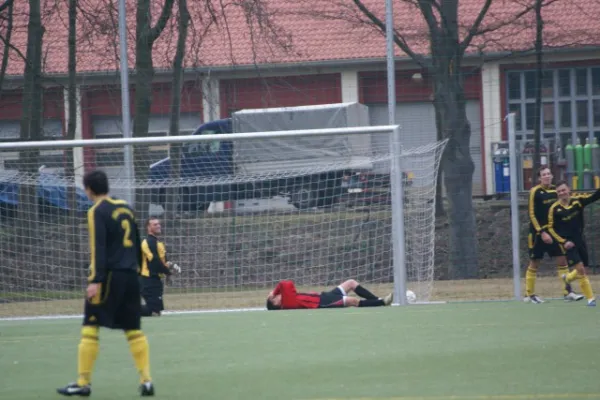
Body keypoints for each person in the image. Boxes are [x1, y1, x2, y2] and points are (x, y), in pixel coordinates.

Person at [57, 170, 155, 397]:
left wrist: (95, 280)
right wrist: (138, 274)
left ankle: (83, 383)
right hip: (131, 276)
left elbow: (98, 248)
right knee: (133, 329)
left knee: (90, 327)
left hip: (109, 277)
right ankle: (147, 381)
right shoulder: (126, 207)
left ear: (89, 189)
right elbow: (137, 244)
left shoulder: (96, 211)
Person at [525, 166, 584, 303]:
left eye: (549, 173)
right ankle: (529, 295)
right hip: (538, 233)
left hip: (554, 232)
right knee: (535, 262)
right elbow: (532, 214)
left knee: (562, 260)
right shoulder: (535, 191)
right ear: (539, 178)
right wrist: (541, 232)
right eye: (544, 174)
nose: (547, 176)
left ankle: (567, 292)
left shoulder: (556, 191)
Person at [547, 180, 600, 307]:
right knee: (581, 269)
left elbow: (594, 197)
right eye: (559, 191)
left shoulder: (578, 201)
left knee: (584, 268)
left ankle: (568, 278)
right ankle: (591, 298)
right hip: (568, 243)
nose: (561, 193)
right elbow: (550, 228)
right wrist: (563, 241)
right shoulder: (554, 209)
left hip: (580, 239)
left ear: (569, 190)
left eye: (563, 190)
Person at [140, 217, 181, 317]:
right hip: (147, 280)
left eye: (159, 224)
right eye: (155, 224)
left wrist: (172, 265)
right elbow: (155, 262)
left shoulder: (158, 243)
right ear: (148, 227)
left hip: (155, 279)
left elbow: (163, 261)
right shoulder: (148, 242)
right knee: (153, 311)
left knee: (156, 311)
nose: (158, 226)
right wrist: (168, 273)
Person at [266, 279, 393, 310]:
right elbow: (285, 283)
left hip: (323, 297)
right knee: (352, 301)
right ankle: (382, 302)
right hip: (323, 303)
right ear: (276, 303)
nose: (279, 295)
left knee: (351, 283)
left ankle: (377, 300)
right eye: (276, 298)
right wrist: (274, 292)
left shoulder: (289, 300)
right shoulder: (287, 304)